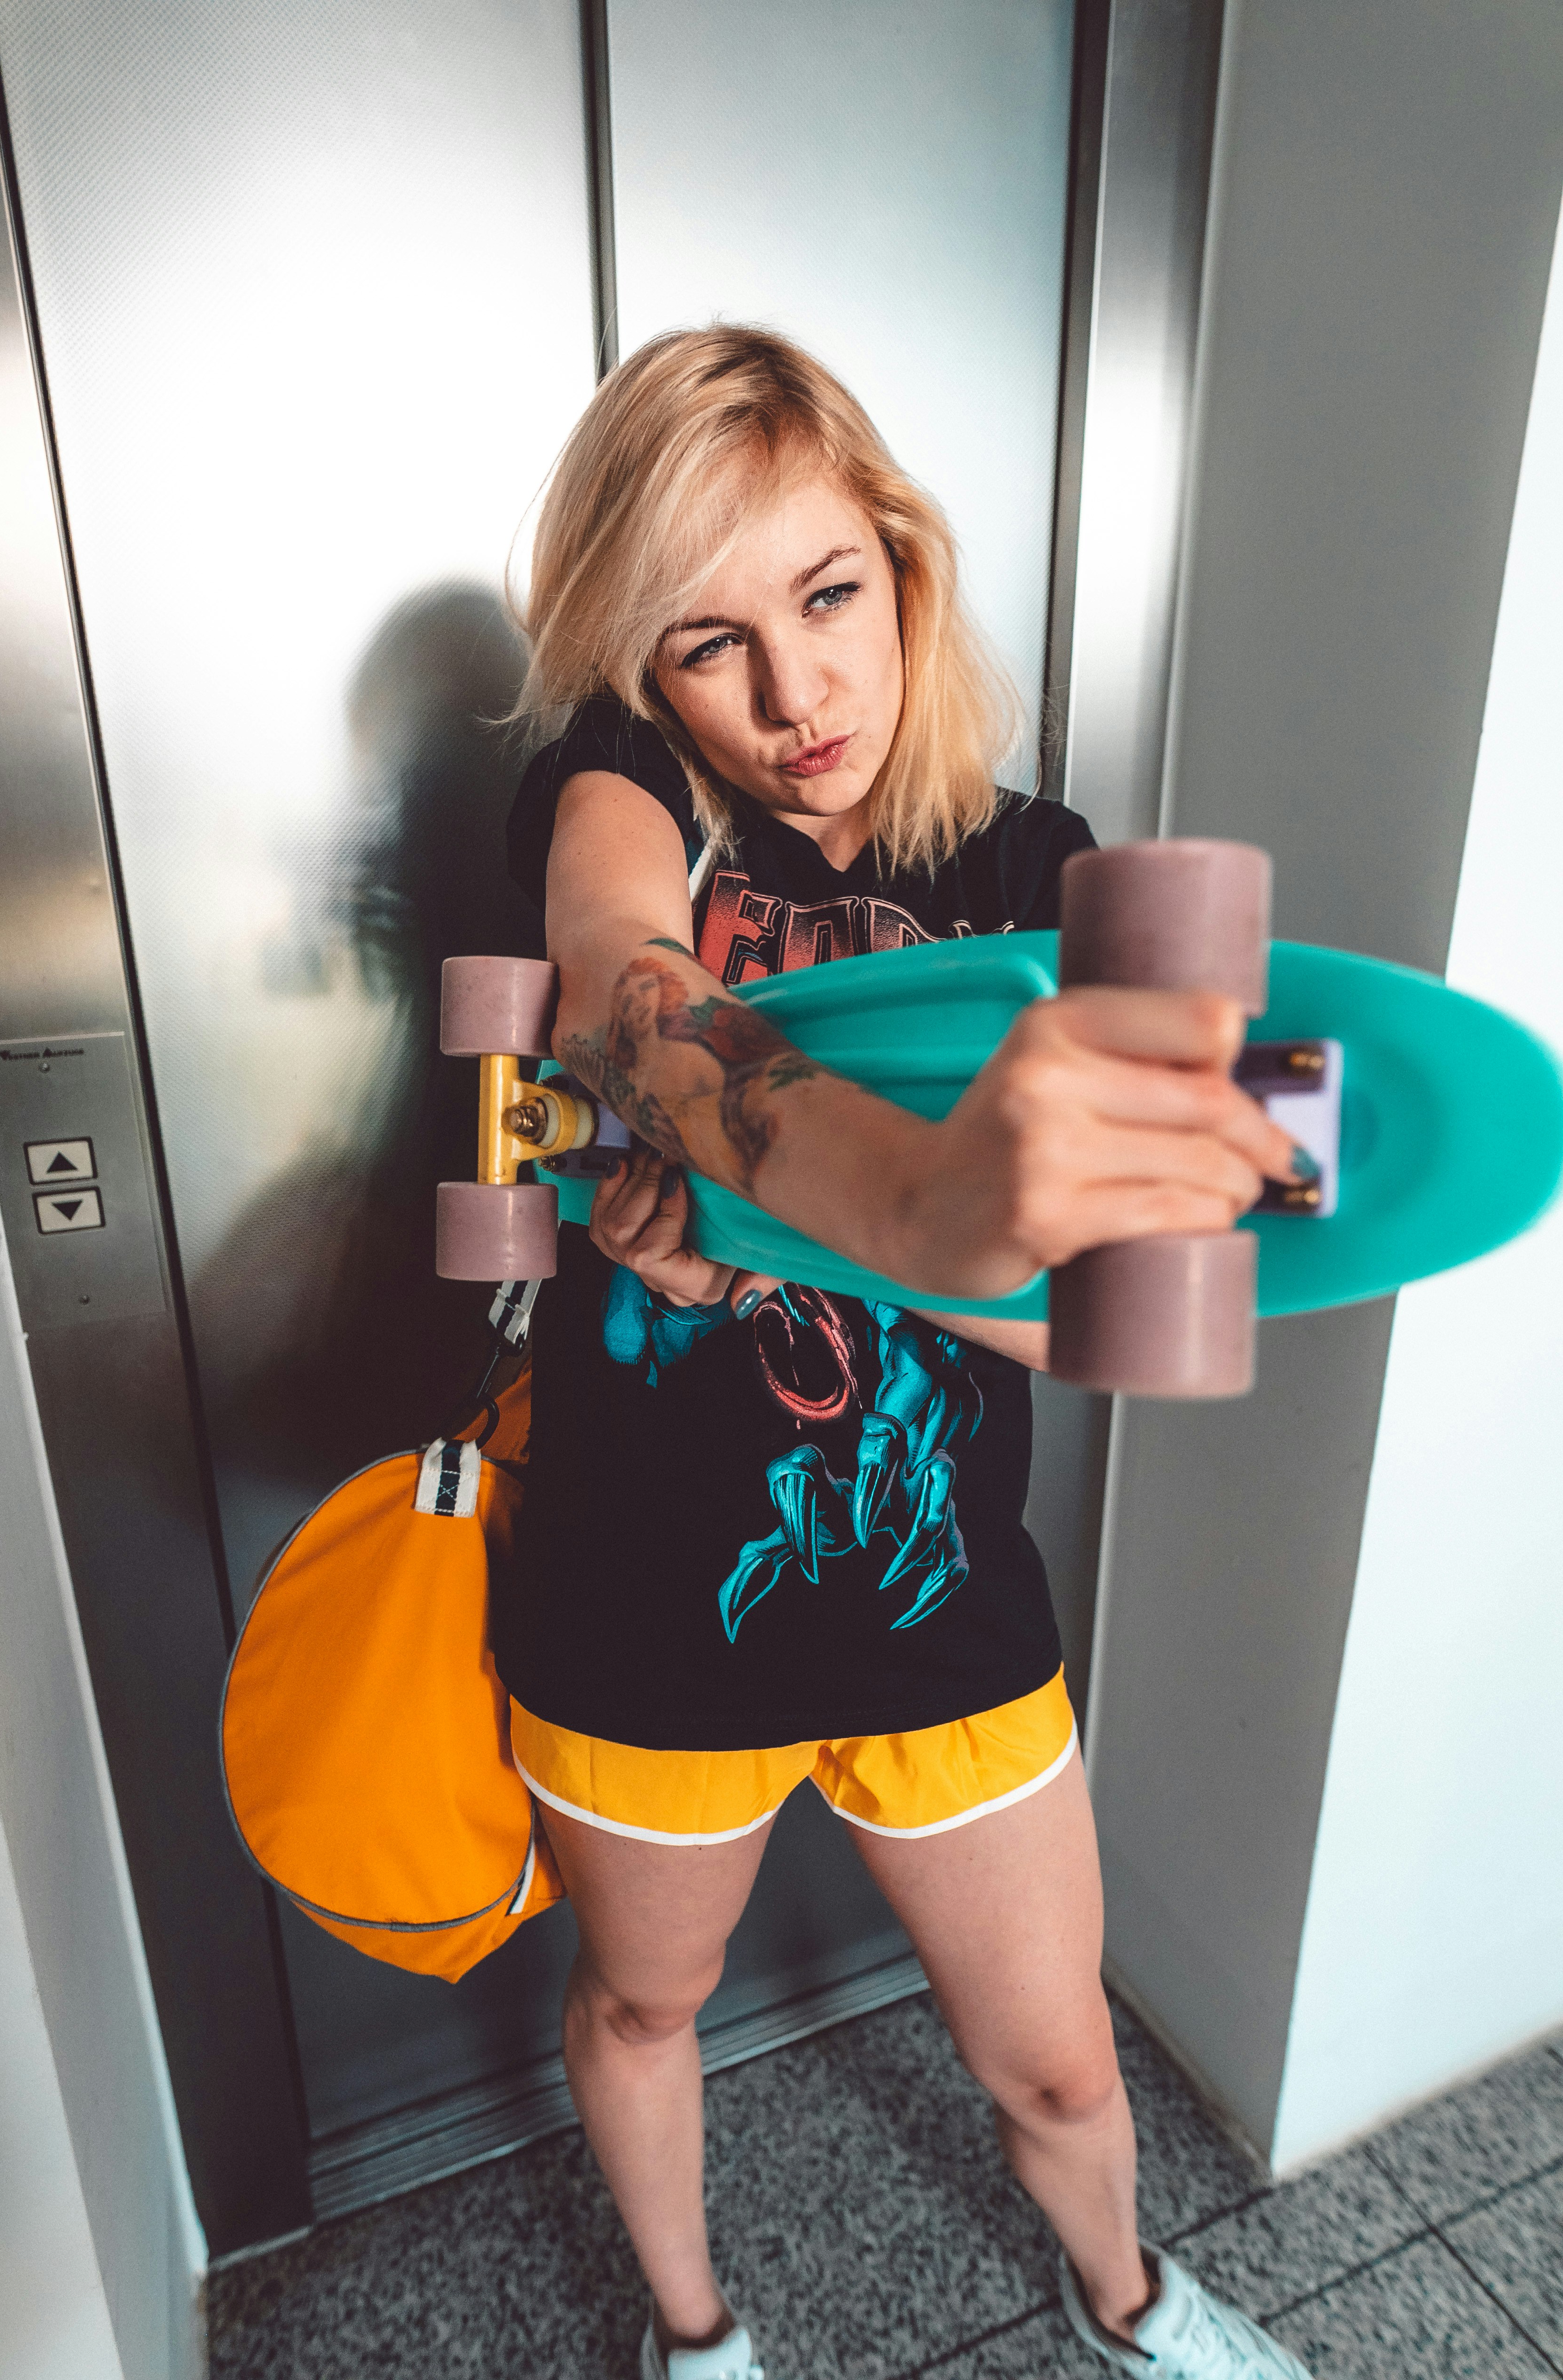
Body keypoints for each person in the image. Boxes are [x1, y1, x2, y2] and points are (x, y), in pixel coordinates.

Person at [502, 325, 1312, 2380]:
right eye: (710, 643)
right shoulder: (614, 793)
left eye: (827, 597)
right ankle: (698, 2340)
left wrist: (938, 1243)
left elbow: (1103, 1308)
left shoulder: (1037, 865)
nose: (795, 699)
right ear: (640, 671)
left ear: (901, 553)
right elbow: (619, 984)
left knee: (1056, 2065)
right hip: (640, 1607)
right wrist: (893, 1200)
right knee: (643, 2012)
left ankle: (1126, 2301)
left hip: (948, 1603)